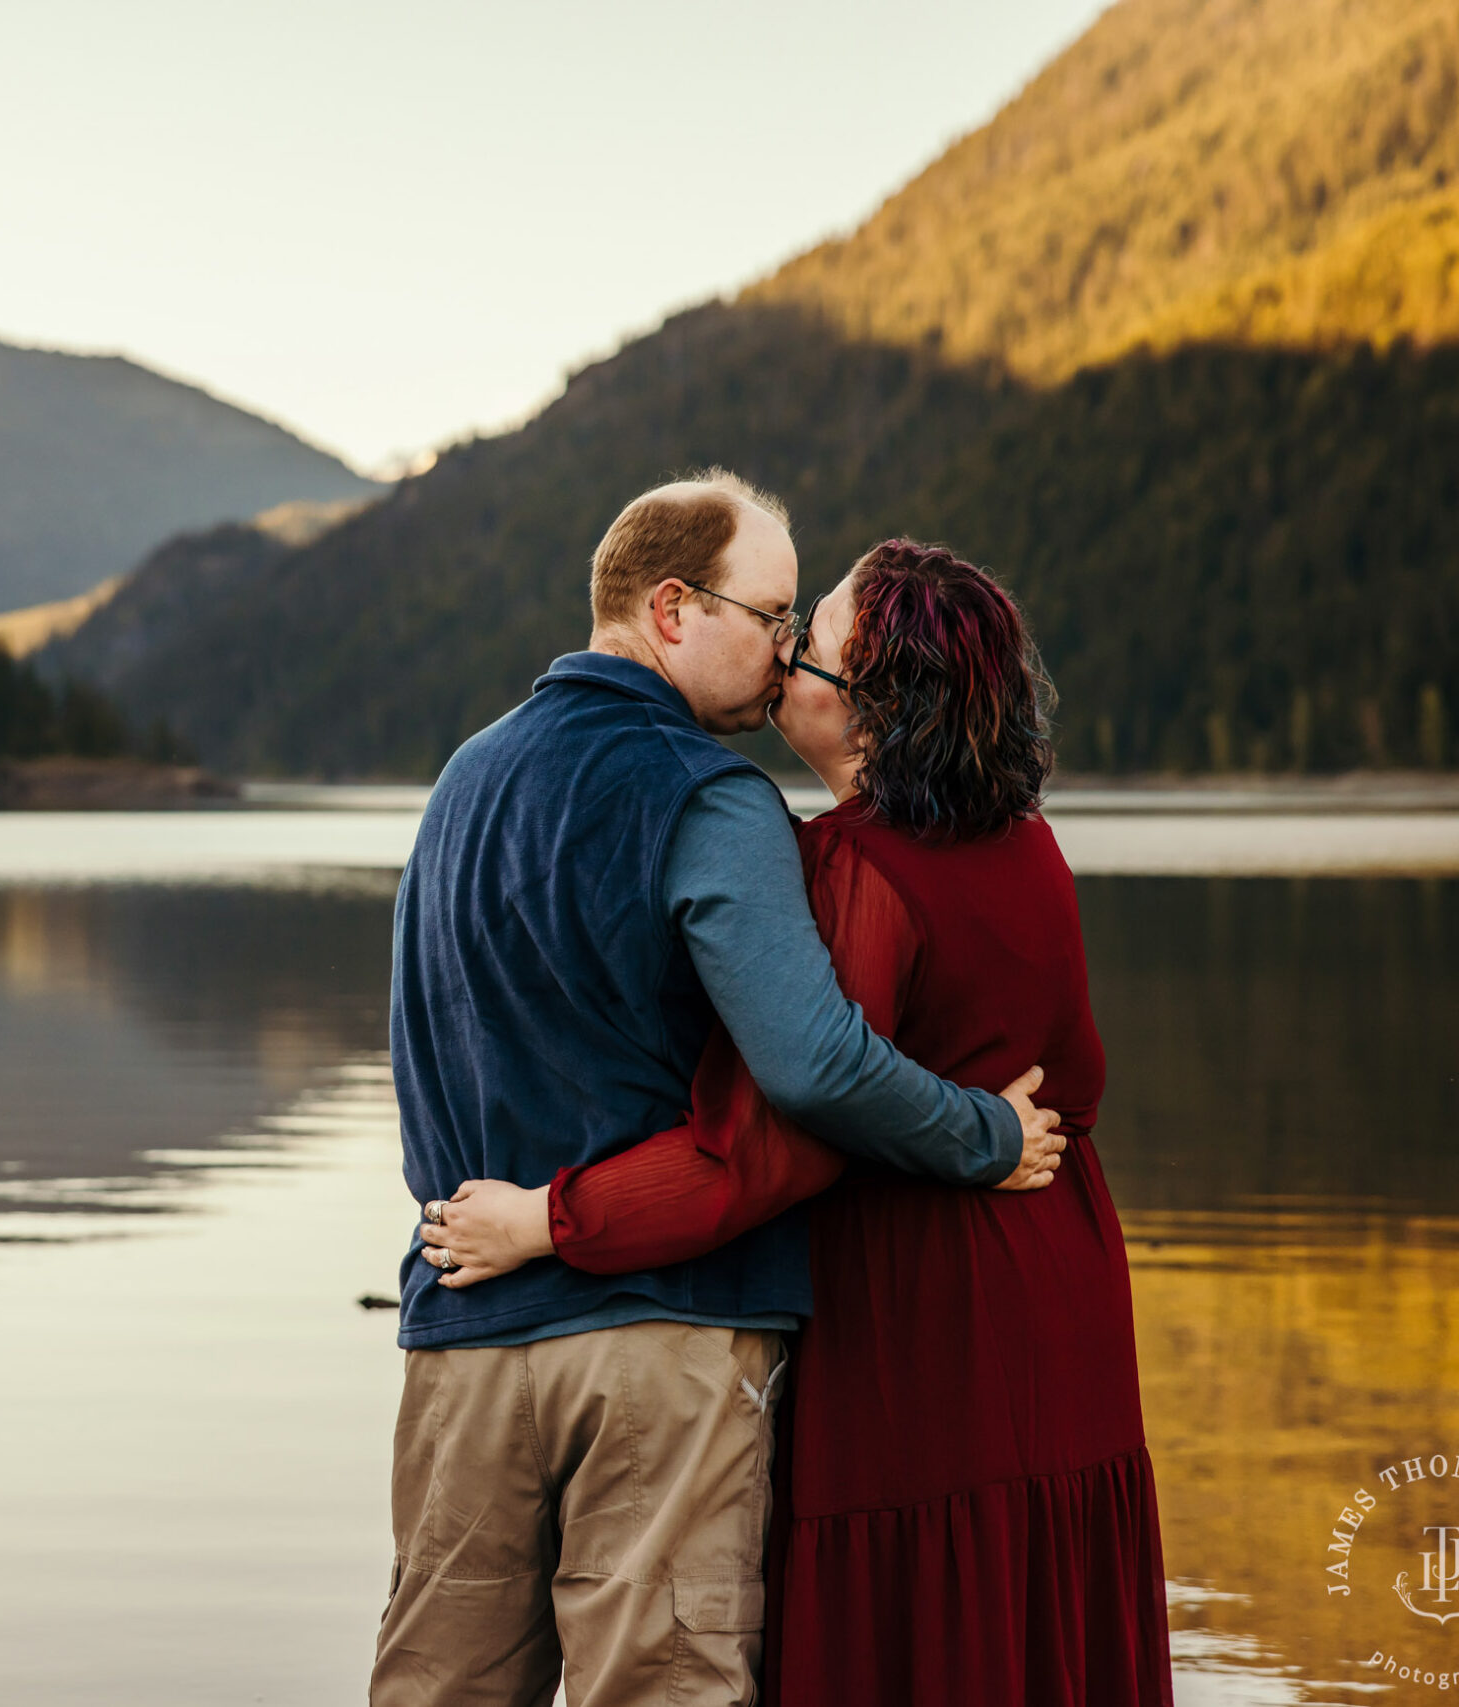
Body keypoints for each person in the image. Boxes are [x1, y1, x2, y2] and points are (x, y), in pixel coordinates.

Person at [421, 540, 1173, 1704]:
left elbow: (768, 1142)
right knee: (1032, 1631)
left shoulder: (848, 868)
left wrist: (548, 1221)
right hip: (1061, 1287)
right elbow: (1074, 1077)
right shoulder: (1028, 842)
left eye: (805, 643)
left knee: (923, 1634)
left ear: (870, 709)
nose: (780, 661)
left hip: (923, 1317)